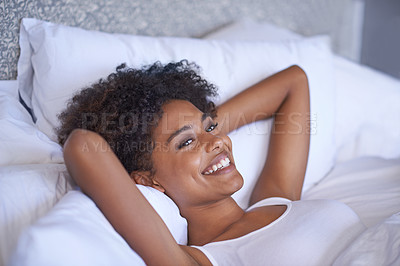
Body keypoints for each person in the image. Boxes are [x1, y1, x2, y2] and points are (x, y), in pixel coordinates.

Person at [58, 60, 365, 265]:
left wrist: (201, 136)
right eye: (185, 143)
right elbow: (83, 145)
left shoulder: (277, 198)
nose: (218, 140)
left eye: (211, 126)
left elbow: (294, 81)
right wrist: (197, 135)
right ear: (150, 180)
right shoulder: (196, 260)